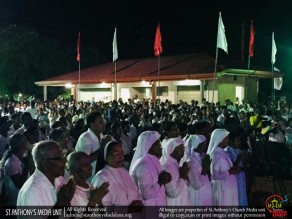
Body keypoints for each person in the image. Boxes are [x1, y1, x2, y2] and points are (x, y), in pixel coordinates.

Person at [17, 140, 75, 206]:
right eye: (59, 157)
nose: (65, 160)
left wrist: (67, 201)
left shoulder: (59, 179)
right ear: (45, 163)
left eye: (63, 155)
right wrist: (60, 204)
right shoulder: (33, 192)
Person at [92, 141, 143, 209]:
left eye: (122, 153)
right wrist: (127, 209)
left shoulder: (124, 172)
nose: (120, 156)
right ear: (106, 157)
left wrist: (139, 202)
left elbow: (136, 191)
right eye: (116, 153)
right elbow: (103, 208)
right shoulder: (101, 177)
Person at [129, 131, 171, 206]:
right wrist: (161, 181)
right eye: (157, 144)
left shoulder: (155, 159)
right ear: (148, 145)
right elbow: (146, 194)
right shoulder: (142, 165)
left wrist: (166, 178)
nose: (160, 146)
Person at [207, 129, 241, 206]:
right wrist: (230, 172)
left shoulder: (223, 152)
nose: (228, 140)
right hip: (222, 190)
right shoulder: (215, 154)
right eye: (226, 138)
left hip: (229, 188)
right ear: (219, 139)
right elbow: (215, 175)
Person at [0, 134, 31, 206]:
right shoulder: (11, 162)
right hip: (16, 203)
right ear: (21, 145)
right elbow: (19, 185)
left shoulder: (22, 158)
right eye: (25, 141)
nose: (27, 142)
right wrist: (27, 166)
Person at [75, 112, 106, 182]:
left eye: (103, 121)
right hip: (90, 178)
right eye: (100, 122)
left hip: (101, 177)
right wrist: (103, 146)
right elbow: (86, 160)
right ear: (91, 124)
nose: (104, 124)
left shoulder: (102, 136)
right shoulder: (85, 138)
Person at [160, 137, 190, 206]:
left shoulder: (176, 164)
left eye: (183, 148)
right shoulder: (166, 167)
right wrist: (183, 176)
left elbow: (186, 185)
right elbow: (173, 193)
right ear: (171, 150)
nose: (183, 151)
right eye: (180, 149)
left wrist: (186, 175)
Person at [184, 135, 213, 206]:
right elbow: (196, 185)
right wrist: (204, 169)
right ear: (196, 145)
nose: (205, 146)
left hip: (205, 191)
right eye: (203, 144)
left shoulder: (202, 157)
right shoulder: (190, 161)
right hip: (197, 194)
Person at [225, 131, 248, 206]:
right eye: (237, 140)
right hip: (233, 179)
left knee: (242, 197)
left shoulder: (238, 150)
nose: (240, 142)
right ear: (231, 141)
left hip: (241, 178)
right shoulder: (227, 151)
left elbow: (244, 167)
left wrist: (244, 158)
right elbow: (231, 168)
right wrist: (239, 158)